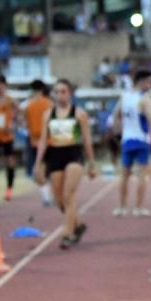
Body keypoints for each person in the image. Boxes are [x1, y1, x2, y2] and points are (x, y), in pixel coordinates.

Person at [33, 80, 97, 249]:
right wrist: (37, 163)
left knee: (68, 195)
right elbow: (43, 141)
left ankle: (67, 233)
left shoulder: (79, 114)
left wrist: (92, 164)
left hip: (73, 154)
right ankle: (78, 224)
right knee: (59, 200)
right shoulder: (48, 114)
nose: (60, 95)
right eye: (57, 91)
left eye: (63, 91)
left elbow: (87, 140)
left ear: (70, 93)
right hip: (55, 156)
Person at [113, 70, 151, 217]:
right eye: (149, 82)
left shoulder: (124, 96)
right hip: (142, 140)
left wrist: (120, 133)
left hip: (127, 140)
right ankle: (139, 208)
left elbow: (115, 116)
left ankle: (122, 207)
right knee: (141, 175)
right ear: (141, 82)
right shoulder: (145, 98)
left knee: (124, 175)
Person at [21, 80, 53, 207]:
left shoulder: (28, 105)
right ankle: (48, 193)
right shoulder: (50, 104)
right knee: (48, 170)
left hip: (35, 141)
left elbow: (23, 121)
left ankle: (46, 194)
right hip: (49, 141)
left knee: (37, 170)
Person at [0, 76, 19, 202]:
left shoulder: (11, 101)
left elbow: (19, 116)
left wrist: (13, 125)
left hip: (7, 136)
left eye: (1, 85)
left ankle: (9, 189)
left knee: (10, 161)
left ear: (5, 86)